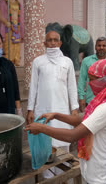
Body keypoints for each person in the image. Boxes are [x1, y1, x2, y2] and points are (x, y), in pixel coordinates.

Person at [26, 59, 106, 184]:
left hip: (102, 177)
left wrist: (42, 128)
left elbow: (73, 135)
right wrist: (56, 115)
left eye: (92, 79)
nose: (89, 84)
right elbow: (82, 119)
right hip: (93, 174)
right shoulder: (102, 101)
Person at [26, 31, 79, 167]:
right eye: (49, 40)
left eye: (56, 40)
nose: (53, 43)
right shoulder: (38, 61)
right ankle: (48, 178)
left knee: (63, 147)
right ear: (45, 44)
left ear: (60, 43)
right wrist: (30, 109)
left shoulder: (67, 62)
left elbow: (72, 86)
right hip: (43, 109)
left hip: (62, 111)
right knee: (44, 145)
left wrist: (74, 108)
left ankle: (63, 177)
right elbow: (33, 87)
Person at [77, 37, 106, 112]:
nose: (101, 48)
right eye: (99, 45)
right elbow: (81, 80)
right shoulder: (86, 61)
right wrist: (81, 98)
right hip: (91, 101)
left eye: (104, 46)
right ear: (95, 47)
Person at [0, 0, 22, 66]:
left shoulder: (18, 3)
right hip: (8, 27)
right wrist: (6, 22)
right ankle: (9, 61)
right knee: (9, 45)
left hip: (17, 27)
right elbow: (0, 16)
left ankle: (16, 60)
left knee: (17, 46)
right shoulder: (4, 2)